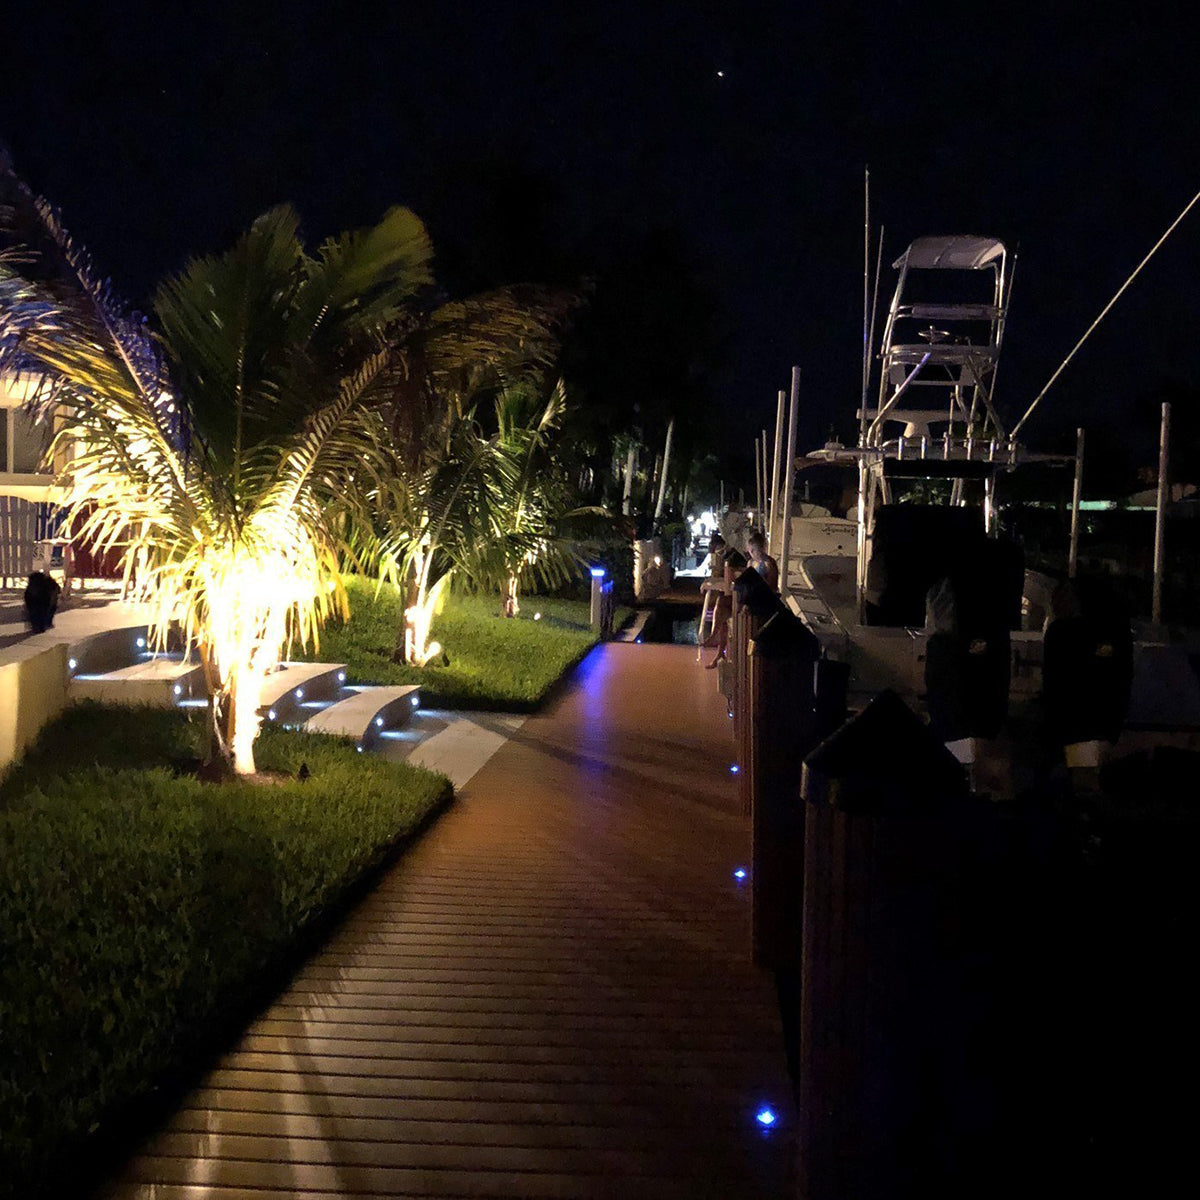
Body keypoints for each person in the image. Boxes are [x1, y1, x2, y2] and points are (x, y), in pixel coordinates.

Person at [703, 548, 747, 668]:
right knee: (723, 611)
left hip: (746, 603)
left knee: (722, 602)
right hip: (739, 600)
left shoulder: (745, 571)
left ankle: (714, 636)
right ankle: (719, 653)